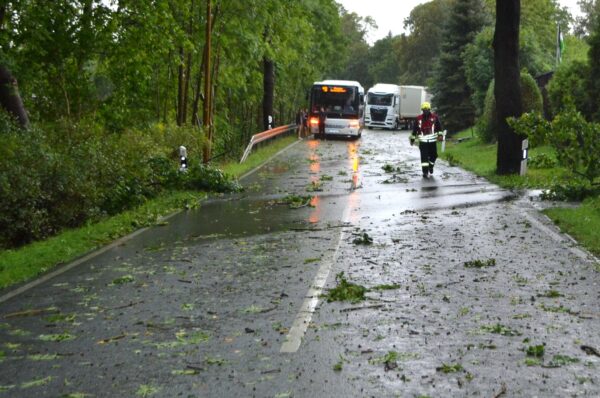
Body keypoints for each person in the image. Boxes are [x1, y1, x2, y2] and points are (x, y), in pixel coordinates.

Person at [410, 102, 443, 178]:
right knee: (424, 157)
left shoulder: (435, 117)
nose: (425, 111)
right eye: (424, 110)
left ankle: (431, 166)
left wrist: (440, 135)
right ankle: (425, 172)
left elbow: (439, 128)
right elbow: (414, 130)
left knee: (434, 155)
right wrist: (412, 140)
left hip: (432, 141)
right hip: (423, 142)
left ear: (429, 109)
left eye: (427, 109)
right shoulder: (418, 118)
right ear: (422, 110)